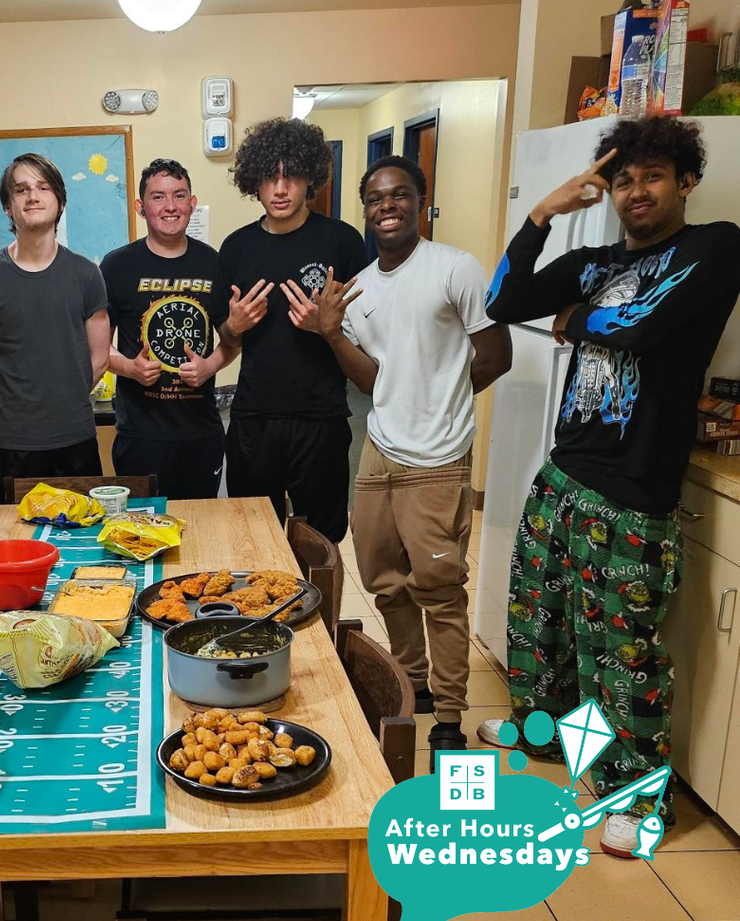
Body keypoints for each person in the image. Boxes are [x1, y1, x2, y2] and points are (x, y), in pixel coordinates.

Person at [479, 117, 740, 855]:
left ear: (684, 182)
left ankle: (643, 806)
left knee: (622, 655)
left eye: (652, 176)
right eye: (623, 179)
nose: (636, 191)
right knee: (539, 624)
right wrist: (540, 214)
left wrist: (577, 317)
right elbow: (502, 301)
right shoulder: (591, 261)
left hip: (633, 493)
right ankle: (543, 734)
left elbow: (636, 327)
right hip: (564, 474)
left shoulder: (713, 247)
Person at [317, 155, 511, 771]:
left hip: (438, 459)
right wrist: (331, 332)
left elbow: (496, 355)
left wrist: (439, 401)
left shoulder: (455, 268)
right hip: (380, 451)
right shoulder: (362, 287)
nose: (387, 206)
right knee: (382, 580)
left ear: (422, 202)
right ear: (365, 210)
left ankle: (450, 715)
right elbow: (373, 380)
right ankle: (414, 680)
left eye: (399, 195)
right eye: (375, 199)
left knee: (439, 590)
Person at [218, 117, 368, 542]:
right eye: (269, 177)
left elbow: (362, 334)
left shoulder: (342, 242)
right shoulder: (236, 247)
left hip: (320, 418)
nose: (280, 190)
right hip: (254, 418)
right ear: (255, 183)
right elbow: (227, 337)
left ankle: (318, 612)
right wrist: (234, 325)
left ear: (310, 179)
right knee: (252, 537)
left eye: (292, 176)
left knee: (322, 540)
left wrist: (325, 328)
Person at [0, 153, 109, 502]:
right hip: (14, 442)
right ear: (8, 207)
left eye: (43, 187)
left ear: (59, 202)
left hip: (76, 437)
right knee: (16, 537)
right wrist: (9, 409)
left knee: (82, 535)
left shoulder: (87, 274)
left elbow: (100, 359)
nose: (33, 196)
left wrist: (65, 401)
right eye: (21, 189)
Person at [100, 158, 243, 498]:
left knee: (200, 531)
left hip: (201, 432)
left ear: (192, 204)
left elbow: (232, 340)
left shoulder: (213, 262)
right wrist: (131, 368)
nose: (170, 207)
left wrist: (210, 366)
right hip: (140, 433)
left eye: (179, 196)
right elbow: (97, 347)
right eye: (158, 197)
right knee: (139, 535)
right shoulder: (117, 265)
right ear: (141, 207)